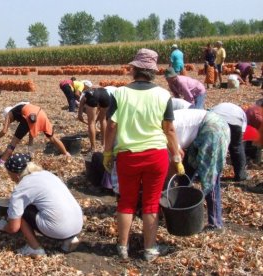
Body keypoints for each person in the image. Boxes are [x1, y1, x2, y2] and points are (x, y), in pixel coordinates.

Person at [103, 48, 183, 262]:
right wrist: (176, 156)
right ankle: (149, 250)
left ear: (134, 69)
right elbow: (170, 130)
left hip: (128, 157)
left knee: (126, 202)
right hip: (156, 156)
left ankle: (122, 247)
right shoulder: (163, 95)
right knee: (151, 202)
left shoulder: (120, 93)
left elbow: (111, 126)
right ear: (153, 72)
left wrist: (107, 153)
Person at [0, 153, 83, 256]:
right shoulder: (46, 174)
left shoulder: (22, 188)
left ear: (15, 174)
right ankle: (69, 239)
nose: (10, 178)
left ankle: (34, 248)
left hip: (59, 229)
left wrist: (3, 226)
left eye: (9, 174)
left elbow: (13, 228)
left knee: (22, 212)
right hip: (78, 224)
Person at [173, 109, 230, 232]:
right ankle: (181, 210)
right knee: (186, 173)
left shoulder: (162, 130)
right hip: (206, 127)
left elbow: (174, 157)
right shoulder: (159, 126)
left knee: (209, 176)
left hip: (212, 128)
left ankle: (215, 223)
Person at [0, 102, 70, 165]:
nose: (12, 121)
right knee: (53, 138)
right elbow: (31, 128)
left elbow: (4, 131)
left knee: (14, 142)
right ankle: (66, 154)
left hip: (31, 116)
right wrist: (30, 148)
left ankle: (1, 162)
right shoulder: (21, 108)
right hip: (42, 114)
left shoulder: (9, 114)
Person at [211, 103, 248, 181]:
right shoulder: (241, 112)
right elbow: (242, 132)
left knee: (214, 146)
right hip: (234, 122)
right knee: (237, 147)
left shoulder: (216, 107)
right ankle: (240, 175)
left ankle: (210, 174)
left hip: (215, 121)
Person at [77, 87, 110, 151]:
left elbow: (81, 104)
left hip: (93, 95)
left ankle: (93, 147)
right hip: (106, 95)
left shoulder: (85, 94)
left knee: (91, 123)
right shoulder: (107, 89)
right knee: (103, 120)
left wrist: (80, 114)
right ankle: (104, 144)